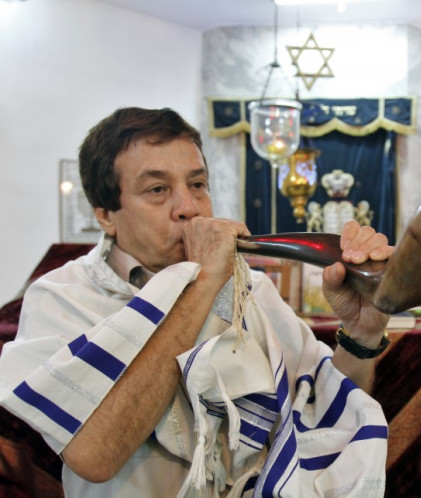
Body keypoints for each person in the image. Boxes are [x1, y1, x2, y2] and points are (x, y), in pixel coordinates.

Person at [0, 108, 393, 497]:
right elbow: (95, 457)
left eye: (198, 184)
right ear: (105, 215)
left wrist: (362, 333)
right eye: (157, 189)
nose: (189, 207)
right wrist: (203, 282)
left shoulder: (251, 289)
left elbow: (325, 408)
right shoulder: (62, 298)